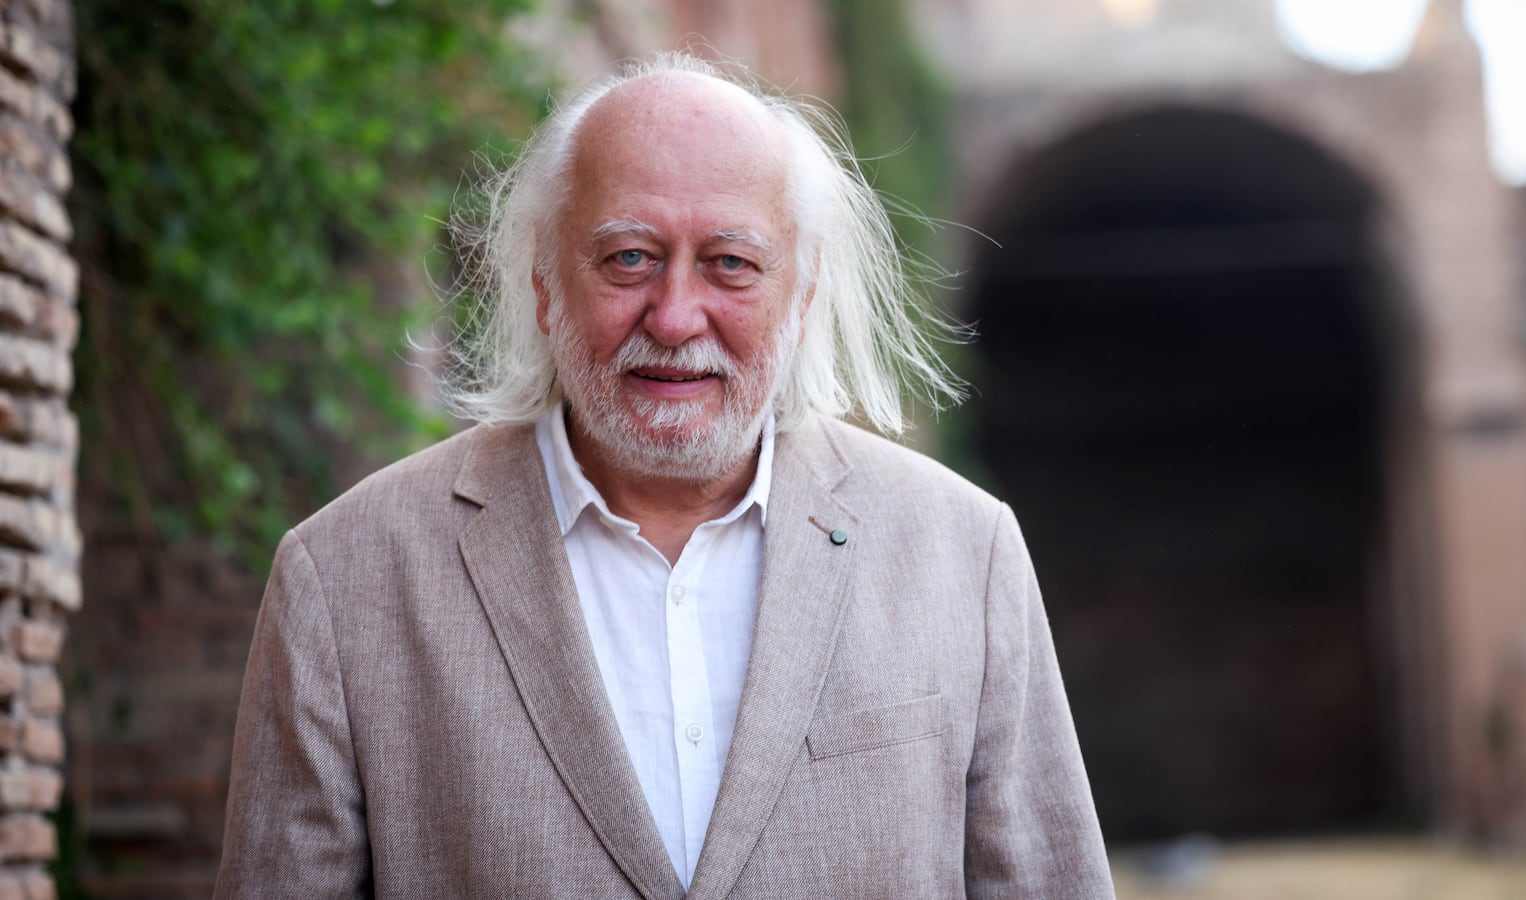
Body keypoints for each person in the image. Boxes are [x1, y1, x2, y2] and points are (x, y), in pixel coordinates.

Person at [215, 52, 1113, 899]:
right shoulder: (344, 579)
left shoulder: (964, 552)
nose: (677, 316)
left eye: (731, 264)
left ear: (801, 297)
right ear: (542, 282)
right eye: (629, 258)